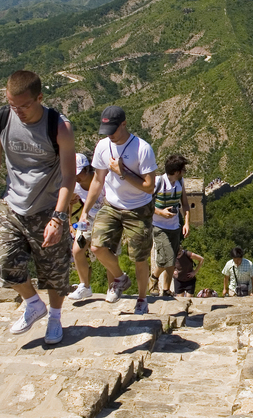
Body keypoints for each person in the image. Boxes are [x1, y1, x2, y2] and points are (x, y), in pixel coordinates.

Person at [0, 70, 75, 346]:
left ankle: (55, 317)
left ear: (39, 97)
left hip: (48, 208)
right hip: (12, 204)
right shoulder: (1, 119)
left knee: (55, 272)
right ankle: (33, 303)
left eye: (24, 105)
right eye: (13, 105)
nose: (18, 112)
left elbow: (69, 176)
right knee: (3, 261)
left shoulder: (59, 128)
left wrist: (58, 218)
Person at [79, 105, 157, 315]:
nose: (110, 135)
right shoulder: (103, 146)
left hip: (138, 208)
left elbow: (149, 186)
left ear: (124, 124)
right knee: (97, 247)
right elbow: (97, 179)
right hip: (112, 205)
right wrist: (85, 210)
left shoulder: (142, 148)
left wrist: (122, 173)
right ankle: (120, 279)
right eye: (106, 131)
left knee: (139, 258)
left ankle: (142, 299)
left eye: (113, 130)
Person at [150, 154, 191, 298]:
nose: (184, 172)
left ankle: (166, 290)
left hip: (175, 226)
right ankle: (153, 278)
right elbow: (145, 202)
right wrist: (160, 212)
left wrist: (186, 223)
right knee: (165, 258)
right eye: (183, 169)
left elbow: (185, 204)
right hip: (158, 225)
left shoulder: (180, 182)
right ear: (177, 171)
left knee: (172, 259)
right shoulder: (158, 182)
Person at [68, 153, 101, 301]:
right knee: (77, 250)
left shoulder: (100, 180)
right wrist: (70, 223)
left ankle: (113, 286)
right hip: (86, 219)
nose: (77, 177)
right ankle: (84, 286)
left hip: (105, 218)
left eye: (79, 173)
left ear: (87, 169)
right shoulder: (75, 186)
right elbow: (69, 203)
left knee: (107, 252)